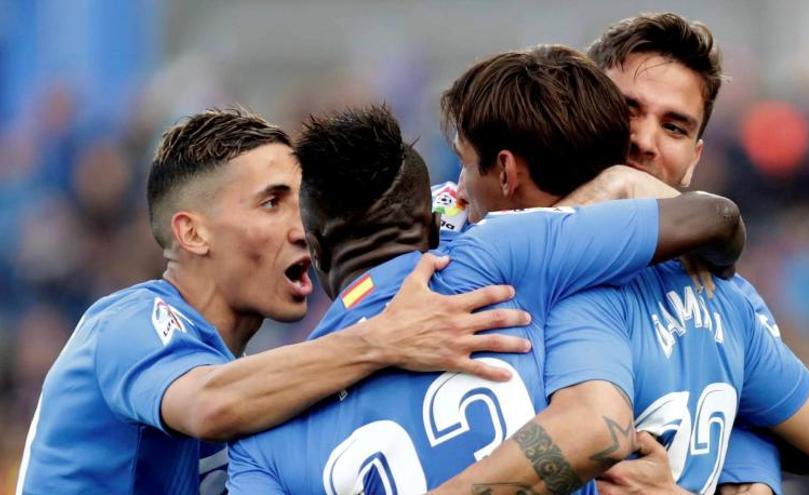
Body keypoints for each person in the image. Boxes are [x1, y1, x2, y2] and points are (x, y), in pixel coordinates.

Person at [225, 96, 747, 492]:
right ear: (431, 227)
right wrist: (614, 188)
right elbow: (717, 219)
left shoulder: (264, 431)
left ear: (314, 249)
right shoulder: (503, 250)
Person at [15, 109, 536, 494]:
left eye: (302, 204)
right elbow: (210, 404)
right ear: (193, 233)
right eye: (272, 202)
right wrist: (381, 340)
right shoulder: (129, 321)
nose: (300, 229)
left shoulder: (261, 381)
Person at [427, 40, 809, 494]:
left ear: (695, 159)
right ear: (581, 104)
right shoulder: (456, 215)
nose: (643, 141)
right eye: (629, 110)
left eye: (674, 127)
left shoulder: (709, 295)